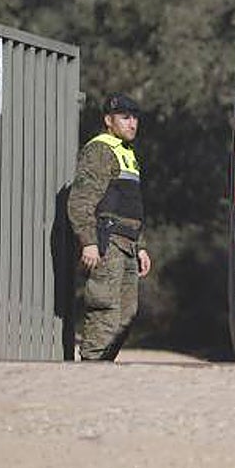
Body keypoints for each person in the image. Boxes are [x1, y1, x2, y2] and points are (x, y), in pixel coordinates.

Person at [67, 93, 152, 361]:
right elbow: (81, 200)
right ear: (108, 120)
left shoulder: (126, 153)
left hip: (128, 244)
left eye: (135, 118)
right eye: (125, 118)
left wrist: (142, 247)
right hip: (108, 241)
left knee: (126, 314)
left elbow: (132, 207)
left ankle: (103, 365)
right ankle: (92, 366)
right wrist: (88, 241)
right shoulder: (100, 150)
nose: (132, 124)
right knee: (105, 308)